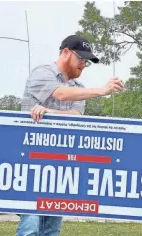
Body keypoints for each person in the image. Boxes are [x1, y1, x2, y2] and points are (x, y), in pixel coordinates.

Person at [16, 35, 124, 236]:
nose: (83, 64)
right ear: (66, 52)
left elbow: (76, 117)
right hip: (29, 162)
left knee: (52, 229)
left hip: (58, 166)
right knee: (30, 226)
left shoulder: (79, 89)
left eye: (86, 62)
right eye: (81, 58)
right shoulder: (42, 72)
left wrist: (49, 113)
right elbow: (61, 94)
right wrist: (102, 91)